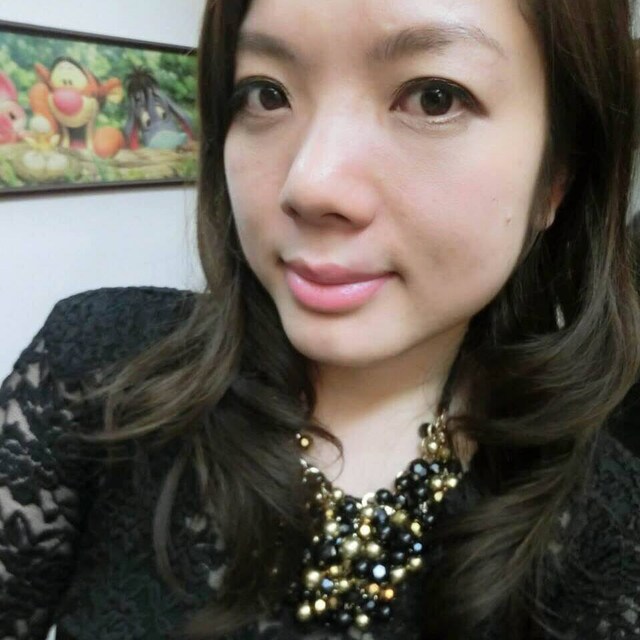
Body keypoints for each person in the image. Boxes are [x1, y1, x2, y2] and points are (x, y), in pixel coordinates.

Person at [1, 0, 639, 638]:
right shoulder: (95, 374)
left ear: (556, 178)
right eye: (266, 94)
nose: (310, 185)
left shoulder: (606, 526)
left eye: (434, 98)